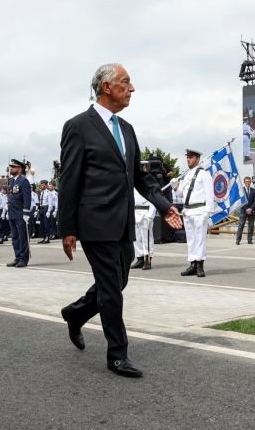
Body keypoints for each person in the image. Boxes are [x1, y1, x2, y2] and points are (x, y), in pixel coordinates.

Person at [58, 63, 182, 378]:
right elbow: (69, 179)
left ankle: (76, 313)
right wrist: (68, 228)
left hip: (123, 221)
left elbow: (139, 177)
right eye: (126, 82)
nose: (132, 88)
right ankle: (117, 355)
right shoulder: (78, 126)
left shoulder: (126, 129)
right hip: (94, 220)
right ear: (106, 87)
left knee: (118, 281)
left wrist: (165, 206)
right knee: (112, 289)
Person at [173, 149, 215, 278]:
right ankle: (192, 263)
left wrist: (208, 213)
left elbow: (210, 194)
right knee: (191, 239)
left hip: (199, 211)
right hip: (188, 211)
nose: (188, 159)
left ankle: (200, 265)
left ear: (197, 159)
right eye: (187, 157)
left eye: (191, 157)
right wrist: (175, 186)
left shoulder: (204, 174)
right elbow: (181, 194)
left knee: (200, 239)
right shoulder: (186, 175)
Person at [5, 159, 32, 268]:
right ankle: (17, 257)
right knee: (15, 237)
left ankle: (23, 259)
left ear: (20, 169)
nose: (11, 168)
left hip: (20, 213)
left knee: (22, 237)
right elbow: (10, 196)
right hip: (12, 212)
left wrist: (26, 212)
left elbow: (27, 198)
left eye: (14, 167)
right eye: (11, 167)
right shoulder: (11, 181)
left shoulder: (23, 181)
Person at [131, 189, 156, 269]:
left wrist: (150, 215)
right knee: (137, 238)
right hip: (135, 212)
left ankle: (148, 260)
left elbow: (154, 200)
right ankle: (140, 258)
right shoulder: (133, 185)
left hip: (146, 212)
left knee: (147, 238)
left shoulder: (147, 184)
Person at [235, 176, 255, 245]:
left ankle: (249, 240)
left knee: (251, 226)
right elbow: (241, 201)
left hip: (251, 211)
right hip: (243, 211)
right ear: (244, 182)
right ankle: (238, 240)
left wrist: (251, 208)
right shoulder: (241, 190)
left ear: (250, 182)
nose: (248, 183)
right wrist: (246, 209)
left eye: (249, 181)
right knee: (241, 225)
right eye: (246, 181)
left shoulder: (253, 191)